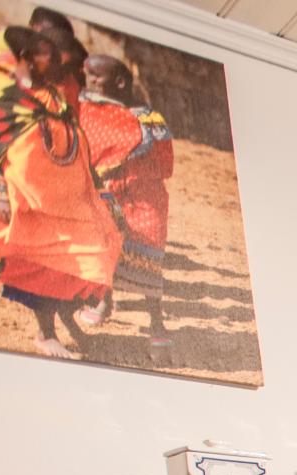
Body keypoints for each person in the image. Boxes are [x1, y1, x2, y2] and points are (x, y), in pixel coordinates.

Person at [0, 23, 119, 358]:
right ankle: (46, 334)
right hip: (30, 201)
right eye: (46, 52)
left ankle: (69, 322)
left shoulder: (56, 98)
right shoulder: (7, 101)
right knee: (44, 267)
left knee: (94, 253)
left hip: (69, 201)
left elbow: (80, 146)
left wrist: (98, 188)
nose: (56, 58)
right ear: (27, 59)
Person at [78, 53, 171, 354]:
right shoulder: (95, 114)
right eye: (88, 76)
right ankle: (105, 302)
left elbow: (166, 164)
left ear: (119, 82)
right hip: (111, 196)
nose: (91, 82)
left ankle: (156, 323)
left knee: (149, 258)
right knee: (109, 251)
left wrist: (135, 168)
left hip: (146, 200)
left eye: (97, 77)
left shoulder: (150, 120)